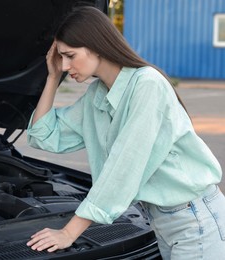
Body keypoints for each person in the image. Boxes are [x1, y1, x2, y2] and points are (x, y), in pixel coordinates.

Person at [26, 5, 225, 259]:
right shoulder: (96, 96)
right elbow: (42, 135)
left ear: (95, 46)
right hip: (163, 222)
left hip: (195, 220)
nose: (64, 65)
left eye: (70, 55)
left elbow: (124, 166)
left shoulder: (147, 85)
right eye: (61, 58)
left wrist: (69, 233)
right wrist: (52, 78)